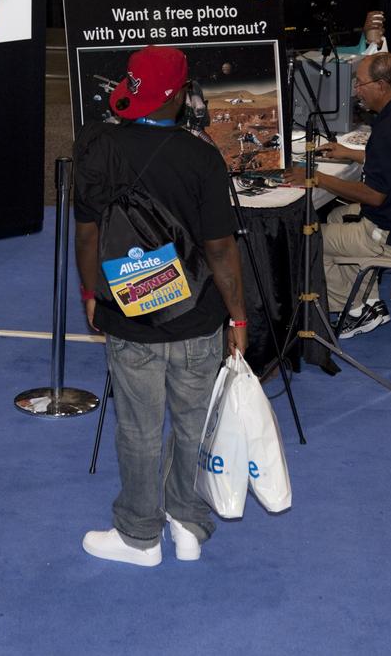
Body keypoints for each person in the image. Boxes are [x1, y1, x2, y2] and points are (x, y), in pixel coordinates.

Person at [72, 45, 247, 567]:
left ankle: (139, 537)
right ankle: (187, 524)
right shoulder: (202, 156)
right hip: (197, 319)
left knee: (139, 430)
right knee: (194, 424)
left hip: (132, 317)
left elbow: (86, 236)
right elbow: (220, 249)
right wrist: (237, 317)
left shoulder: (98, 148)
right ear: (180, 96)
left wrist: (90, 293)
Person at [287, 53, 391, 336]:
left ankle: (353, 311)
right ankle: (367, 301)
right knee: (336, 214)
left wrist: (317, 178)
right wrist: (351, 154)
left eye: (360, 83)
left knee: (309, 239)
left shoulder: (388, 128)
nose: (357, 90)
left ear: (381, 86)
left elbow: (373, 196)